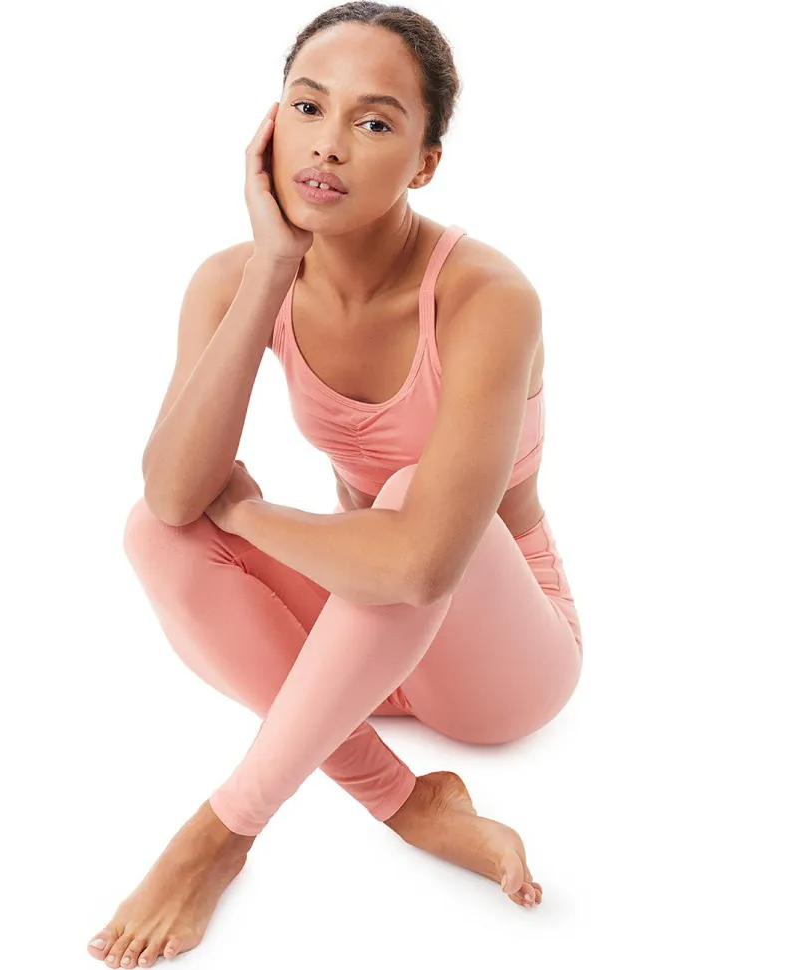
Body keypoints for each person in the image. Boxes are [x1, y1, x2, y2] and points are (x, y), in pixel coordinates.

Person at [88, 4, 583, 966]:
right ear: (270, 124)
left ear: (425, 163)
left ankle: (220, 833)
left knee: (406, 507)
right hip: (368, 642)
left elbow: (422, 563)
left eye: (374, 121)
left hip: (499, 657)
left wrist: (247, 511)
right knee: (155, 530)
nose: (328, 144)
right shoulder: (233, 279)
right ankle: (407, 802)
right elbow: (174, 493)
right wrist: (274, 265)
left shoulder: (487, 297)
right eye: (308, 106)